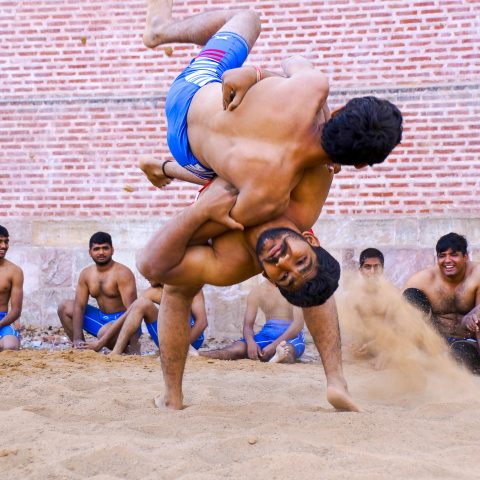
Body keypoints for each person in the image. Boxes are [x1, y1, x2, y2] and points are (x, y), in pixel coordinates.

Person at [141, 0, 403, 228]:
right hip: (188, 156)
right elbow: (221, 211)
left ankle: (159, 30)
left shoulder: (312, 88)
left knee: (247, 18)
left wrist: (259, 73)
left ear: (339, 109)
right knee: (230, 178)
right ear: (358, 164)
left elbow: (293, 61)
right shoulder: (276, 191)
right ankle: (165, 168)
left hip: (193, 90)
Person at [403, 233, 480, 371]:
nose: (447, 260)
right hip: (435, 341)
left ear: (465, 256)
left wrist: (472, 316)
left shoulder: (476, 274)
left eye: (454, 255)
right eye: (442, 255)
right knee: (410, 296)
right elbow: (396, 312)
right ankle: (419, 355)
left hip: (467, 342)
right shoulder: (423, 279)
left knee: (460, 356)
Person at [57, 232, 138, 351]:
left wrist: (135, 345)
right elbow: (79, 306)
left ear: (112, 250)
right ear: (90, 252)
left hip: (122, 323)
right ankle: (81, 348)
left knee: (104, 332)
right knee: (65, 306)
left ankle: (124, 348)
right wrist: (77, 338)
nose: (101, 252)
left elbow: (134, 311)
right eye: (96, 249)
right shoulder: (86, 274)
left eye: (105, 248)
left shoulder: (123, 273)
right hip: (101, 320)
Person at [201, 280, 305, 364]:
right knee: (237, 348)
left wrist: (273, 346)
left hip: (291, 336)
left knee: (288, 350)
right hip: (266, 335)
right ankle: (199, 354)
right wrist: (251, 343)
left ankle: (277, 357)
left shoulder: (294, 288)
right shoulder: (257, 291)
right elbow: (247, 326)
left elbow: (298, 324)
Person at [86, 285, 208, 355]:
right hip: (169, 339)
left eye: (149, 273)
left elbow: (202, 322)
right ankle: (116, 352)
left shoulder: (191, 287)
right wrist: (101, 342)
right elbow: (127, 315)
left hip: (191, 339)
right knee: (141, 303)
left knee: (177, 312)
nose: (146, 278)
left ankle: (179, 350)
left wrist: (181, 347)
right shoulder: (152, 292)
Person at [0, 225, 23, 351]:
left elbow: (16, 310)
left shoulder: (14, 271)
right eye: (0, 242)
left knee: (10, 347)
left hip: (3, 320)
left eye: (6, 242)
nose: (4, 246)